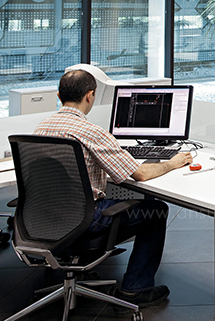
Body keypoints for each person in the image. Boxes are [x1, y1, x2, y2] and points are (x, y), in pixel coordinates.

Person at [33, 69, 193, 312]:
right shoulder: (92, 133)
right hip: (84, 221)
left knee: (125, 196)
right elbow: (140, 174)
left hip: (44, 219)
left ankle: (81, 263)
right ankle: (136, 289)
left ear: (58, 95)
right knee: (156, 210)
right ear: (90, 95)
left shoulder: (40, 129)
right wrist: (172, 162)